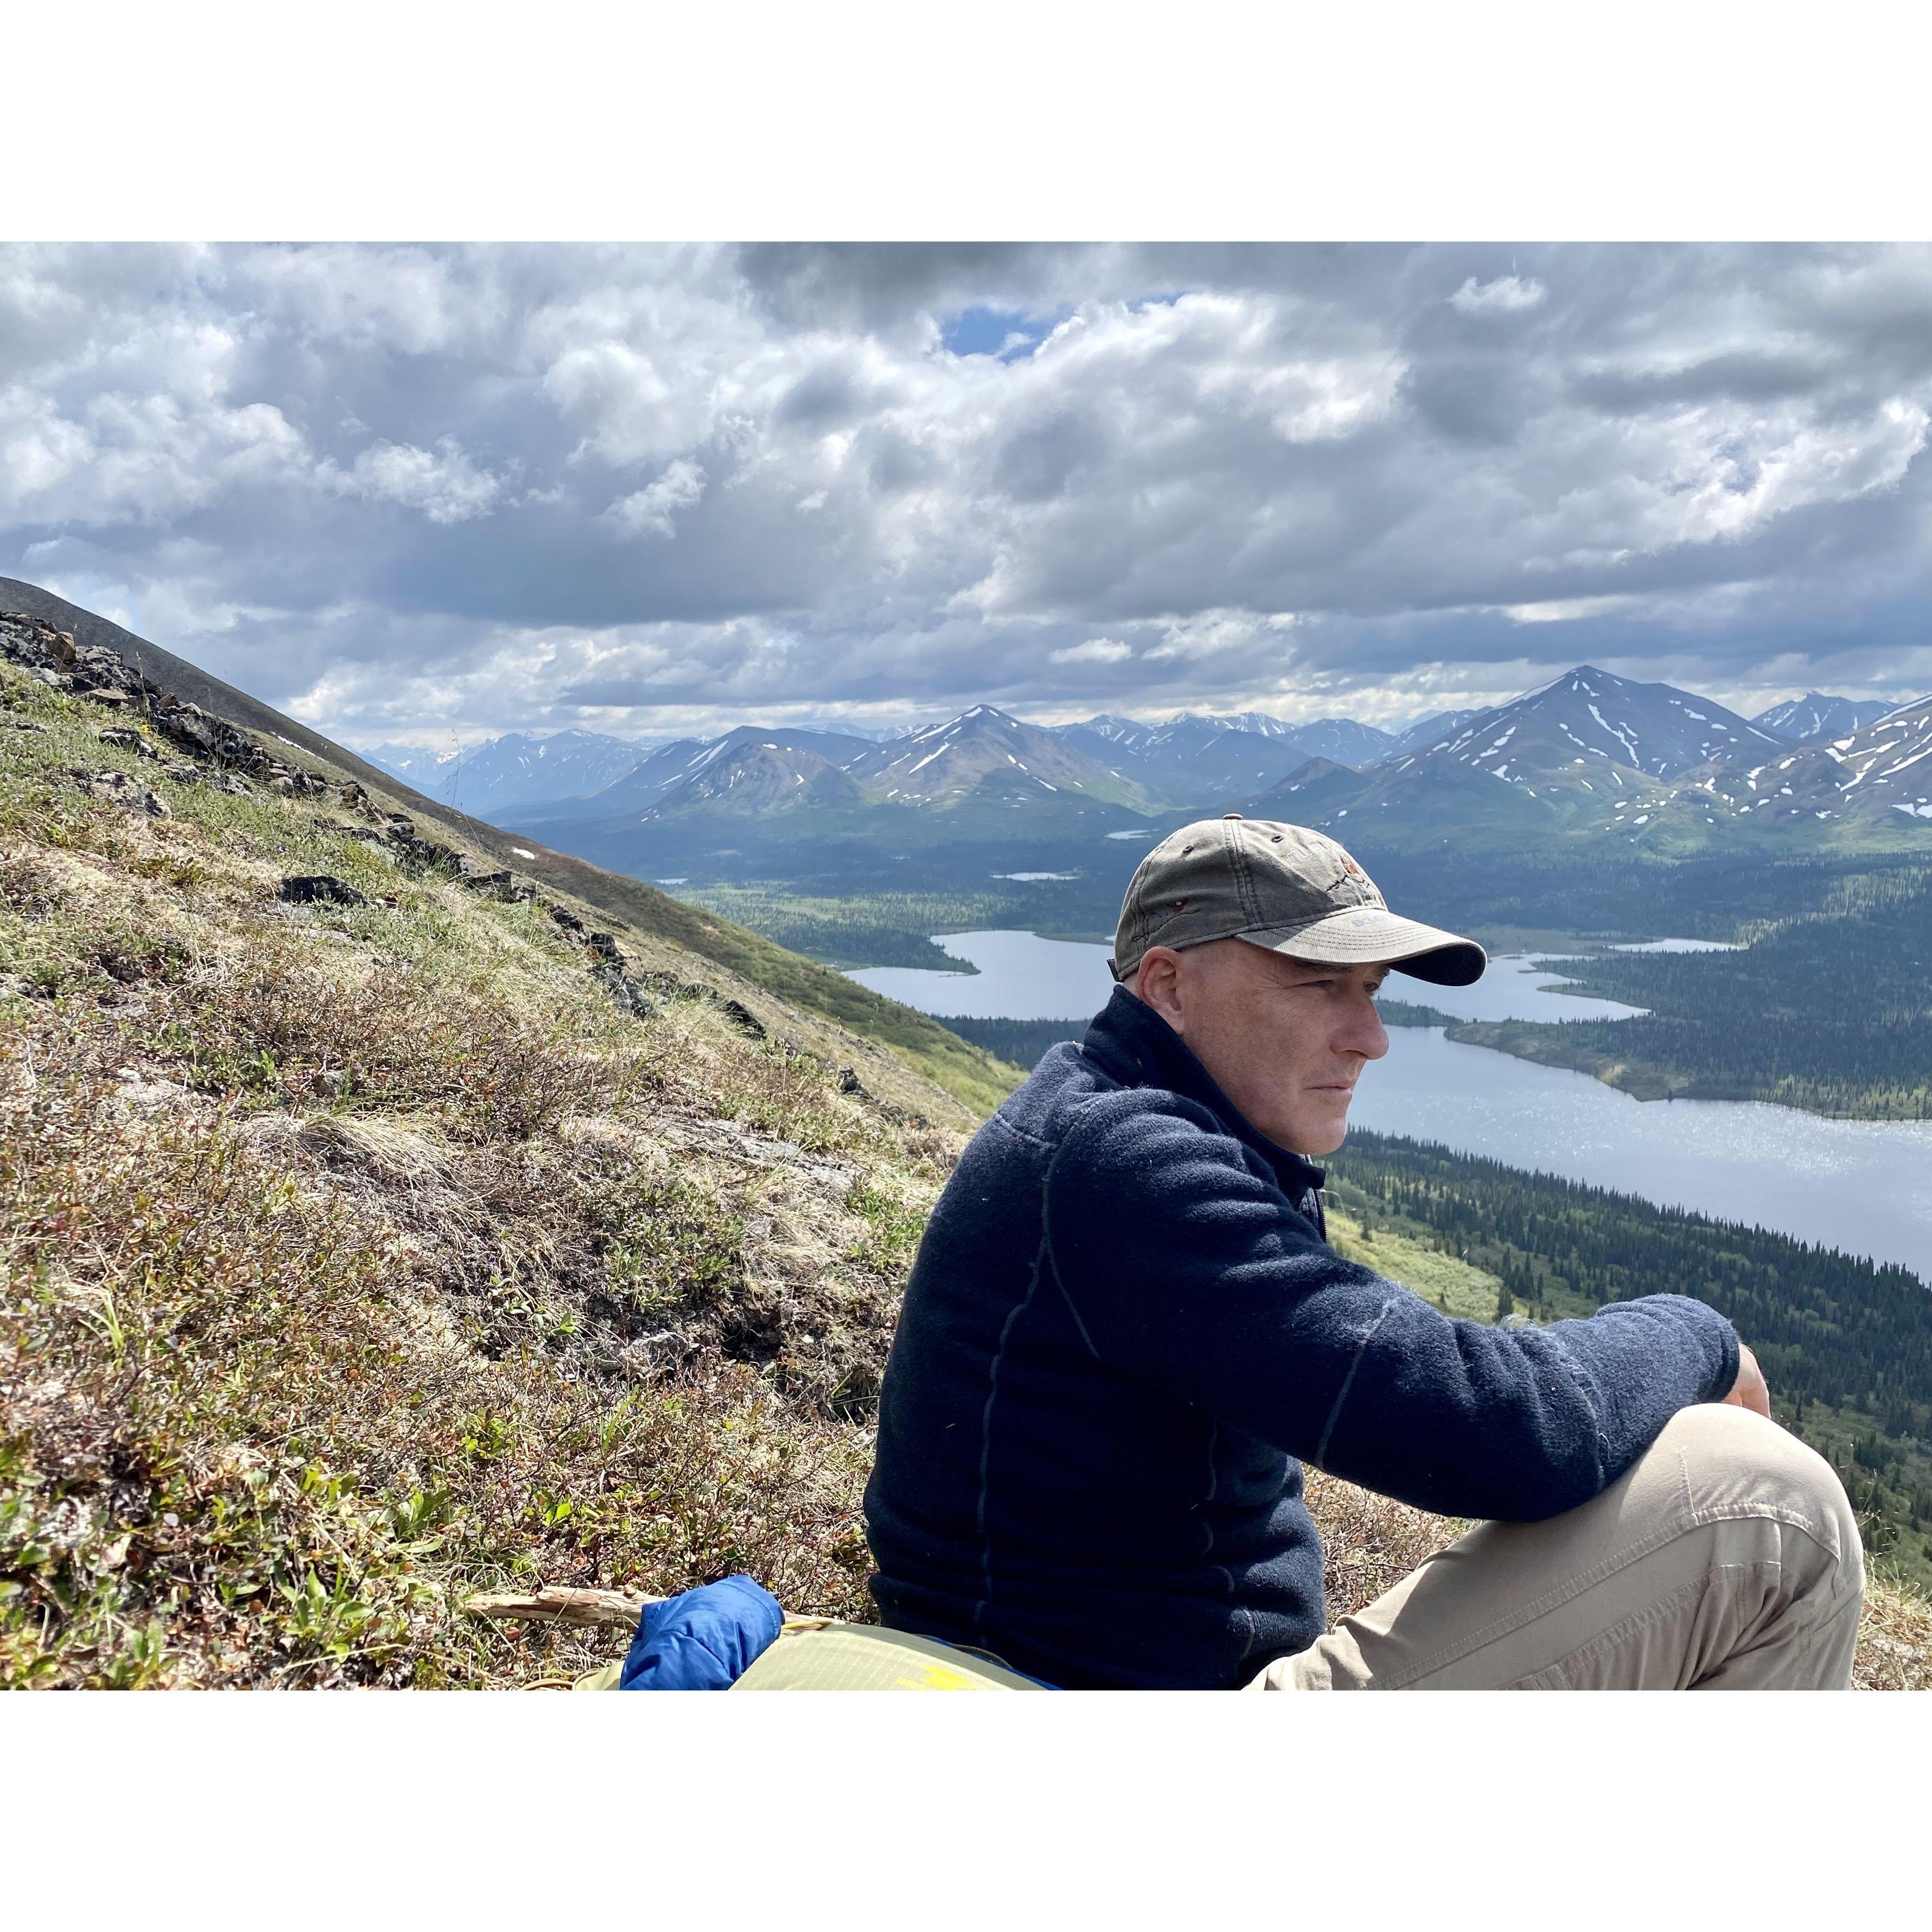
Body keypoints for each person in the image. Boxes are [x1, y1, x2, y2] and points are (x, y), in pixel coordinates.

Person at [863, 815, 1863, 1690]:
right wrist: (1700, 1334)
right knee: (1769, 1505)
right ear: (1169, 984)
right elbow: (1500, 1432)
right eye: (1320, 986)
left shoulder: (1111, 1124)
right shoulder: (1127, 1162)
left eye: (1373, 989)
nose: (1371, 1037)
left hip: (1096, 1677)